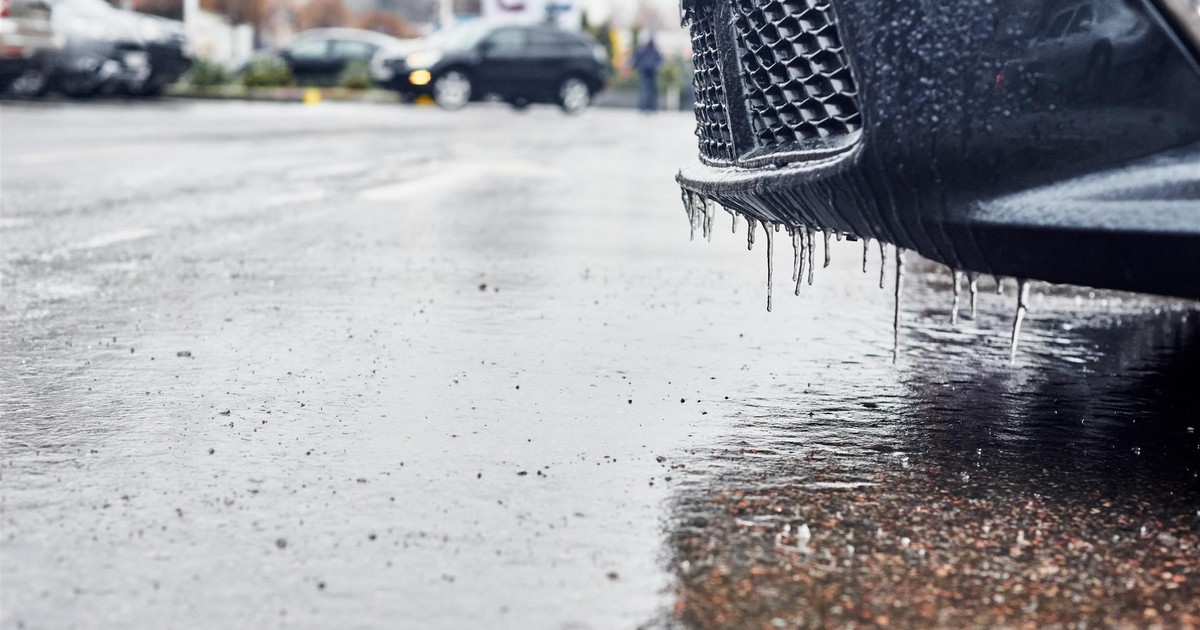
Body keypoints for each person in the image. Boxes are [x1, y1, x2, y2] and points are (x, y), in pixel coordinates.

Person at [631, 35, 664, 113]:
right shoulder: (644, 50)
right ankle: (643, 107)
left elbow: (660, 60)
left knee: (651, 91)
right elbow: (636, 58)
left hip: (652, 73)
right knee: (644, 91)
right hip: (644, 72)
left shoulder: (654, 50)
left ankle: (652, 107)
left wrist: (657, 67)